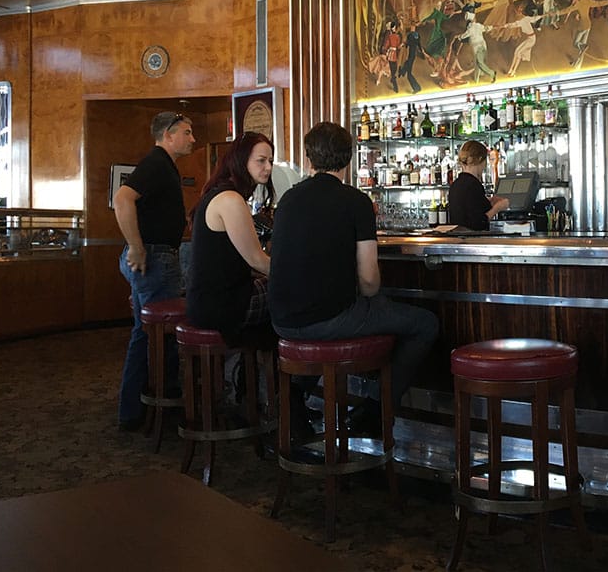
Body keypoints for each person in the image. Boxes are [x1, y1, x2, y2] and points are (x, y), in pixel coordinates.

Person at [269, 122, 439, 438]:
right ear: (350, 158)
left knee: (322, 318)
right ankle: (375, 412)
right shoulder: (356, 201)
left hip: (281, 321)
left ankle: (292, 398)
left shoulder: (288, 200)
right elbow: (370, 280)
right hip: (328, 320)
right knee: (425, 324)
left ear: (309, 159)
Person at [112, 111, 195, 431]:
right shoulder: (157, 162)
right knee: (156, 336)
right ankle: (149, 409)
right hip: (156, 257)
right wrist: (136, 246)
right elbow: (122, 199)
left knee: (146, 335)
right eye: (186, 133)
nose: (192, 139)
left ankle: (141, 408)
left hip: (157, 256)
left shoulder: (163, 165)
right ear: (168, 135)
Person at [186, 132, 275, 349]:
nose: (269, 167)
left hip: (205, 301)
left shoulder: (217, 192)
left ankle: (255, 373)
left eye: (270, 161)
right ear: (241, 161)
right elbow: (257, 260)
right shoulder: (231, 199)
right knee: (292, 292)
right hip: (223, 306)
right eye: (261, 161)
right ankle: (293, 372)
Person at [447, 141, 510, 231]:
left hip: (458, 240)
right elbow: (479, 223)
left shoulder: (456, 184)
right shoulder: (473, 184)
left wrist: (488, 202)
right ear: (480, 159)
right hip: (472, 240)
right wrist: (498, 208)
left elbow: (468, 211)